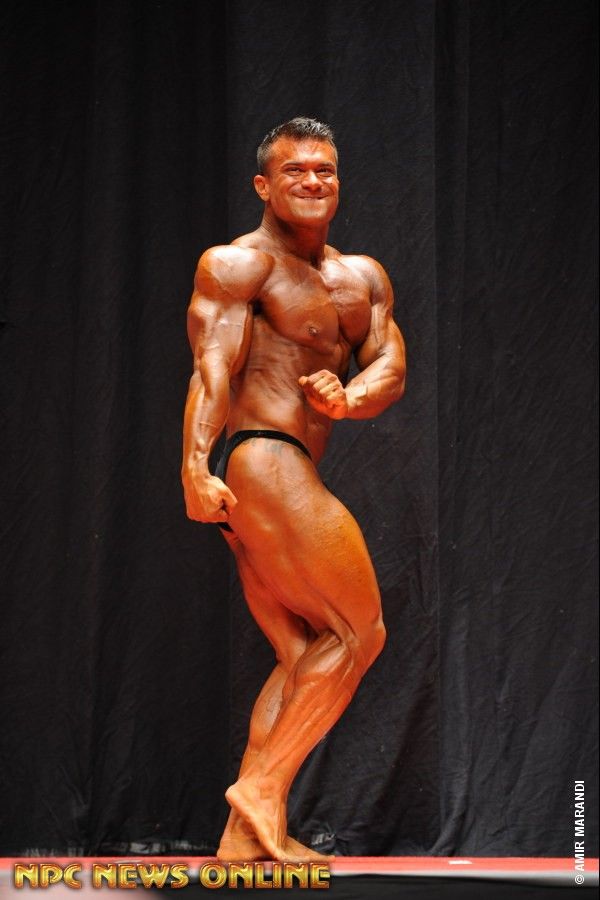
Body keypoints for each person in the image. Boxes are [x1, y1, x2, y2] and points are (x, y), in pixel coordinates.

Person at [182, 117, 406, 862]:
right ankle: (263, 788)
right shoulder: (238, 265)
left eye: (325, 170)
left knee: (303, 650)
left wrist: (350, 397)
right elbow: (212, 368)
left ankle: (246, 838)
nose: (313, 181)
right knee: (360, 633)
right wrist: (194, 466)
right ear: (263, 184)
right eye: (295, 171)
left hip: (282, 471)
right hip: (262, 458)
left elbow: (389, 365)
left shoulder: (362, 278)